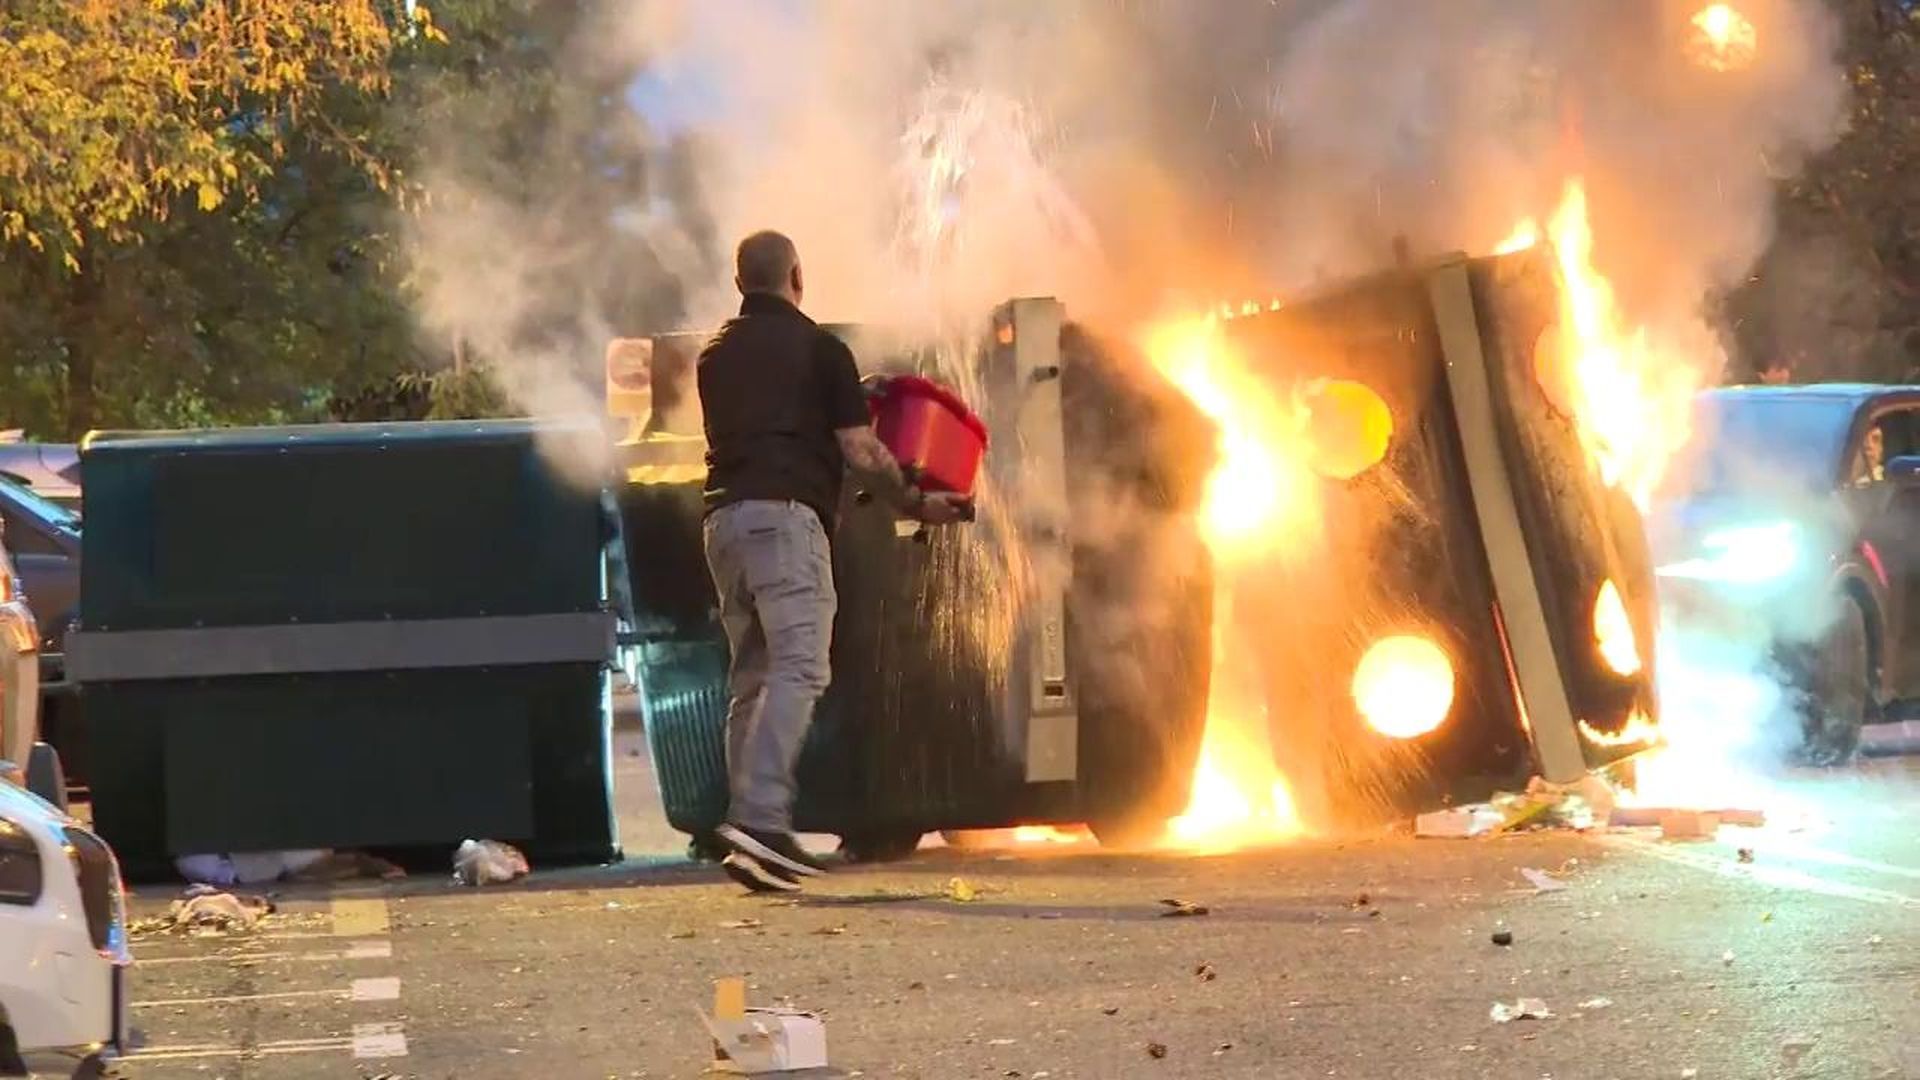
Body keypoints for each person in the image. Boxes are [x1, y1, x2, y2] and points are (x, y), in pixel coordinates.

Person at [697, 230, 970, 892]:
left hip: (724, 524)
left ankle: (744, 830)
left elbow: (774, 413)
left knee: (752, 676)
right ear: (798, 276)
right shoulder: (821, 349)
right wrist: (915, 501)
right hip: (785, 521)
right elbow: (861, 451)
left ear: (739, 284)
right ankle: (762, 820)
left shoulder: (715, 355)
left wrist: (849, 390)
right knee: (800, 667)